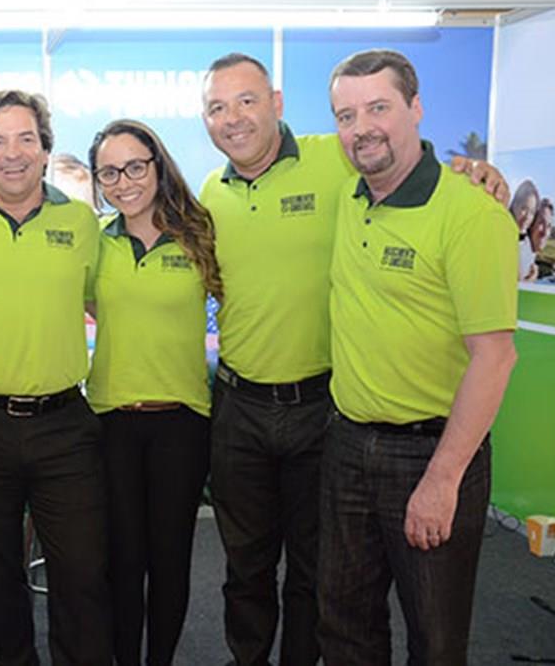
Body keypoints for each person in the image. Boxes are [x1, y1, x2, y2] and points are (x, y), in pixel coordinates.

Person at [197, 52, 509, 666]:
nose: (233, 118)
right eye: (217, 107)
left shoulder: (338, 162)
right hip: (266, 412)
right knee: (284, 586)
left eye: (247, 100)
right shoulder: (219, 191)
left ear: (277, 103)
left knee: (359, 597)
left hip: (337, 414)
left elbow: (494, 356)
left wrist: (479, 172)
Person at [319, 48, 518, 665]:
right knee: (344, 626)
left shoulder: (470, 213)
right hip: (347, 445)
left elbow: (495, 357)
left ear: (416, 108)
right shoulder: (349, 194)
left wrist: (442, 479)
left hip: (431, 454)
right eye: (346, 116)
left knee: (434, 638)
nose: (362, 128)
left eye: (378, 108)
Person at [0, 89, 111, 666]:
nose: (12, 153)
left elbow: (106, 303)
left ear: (45, 149)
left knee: (82, 571)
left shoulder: (80, 222)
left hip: (63, 424)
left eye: (26, 139)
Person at [86, 119, 221, 665]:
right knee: (121, 561)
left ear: (158, 166)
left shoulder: (201, 235)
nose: (124, 182)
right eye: (109, 173)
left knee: (170, 560)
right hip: (111, 422)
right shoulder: (94, 243)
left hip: (181, 424)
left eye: (135, 167)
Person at [510, 180, 540, 281]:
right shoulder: (499, 236)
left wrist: (531, 278)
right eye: (524, 208)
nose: (527, 217)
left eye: (532, 212)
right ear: (514, 205)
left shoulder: (528, 244)